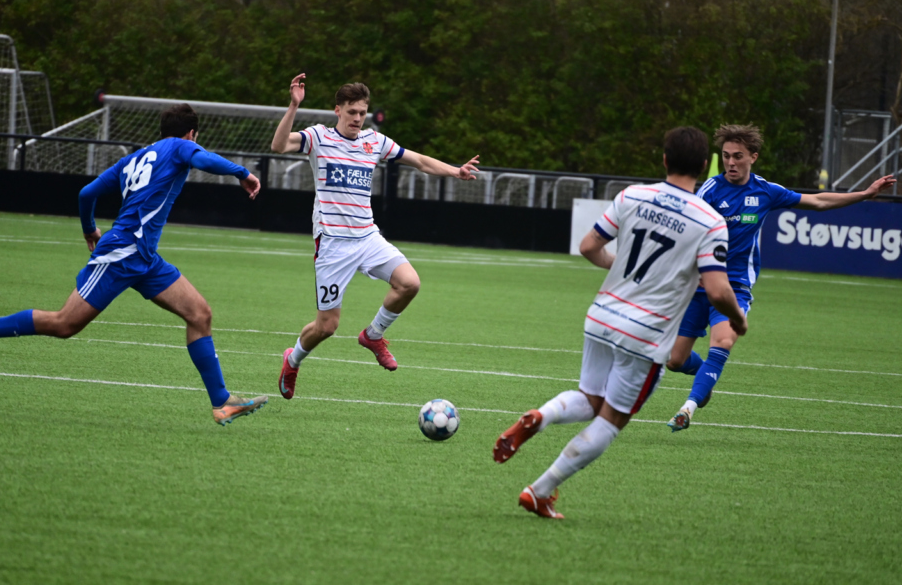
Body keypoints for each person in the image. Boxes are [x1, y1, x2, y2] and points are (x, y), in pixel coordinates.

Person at [0, 104, 269, 425]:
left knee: (199, 314)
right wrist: (242, 173)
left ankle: (221, 401)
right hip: (120, 254)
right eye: (194, 139)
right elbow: (204, 160)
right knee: (64, 324)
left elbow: (87, 193)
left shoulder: (133, 159)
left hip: (144, 259)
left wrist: (89, 229)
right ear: (191, 133)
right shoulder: (180, 146)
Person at [492, 127, 747, 520]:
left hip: (602, 315)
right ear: (703, 166)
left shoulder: (632, 196)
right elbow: (716, 290)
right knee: (611, 419)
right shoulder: (710, 220)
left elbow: (588, 247)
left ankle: (542, 416)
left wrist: (624, 268)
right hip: (645, 334)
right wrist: (737, 317)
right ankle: (539, 490)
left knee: (591, 399)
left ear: (664, 159)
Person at [665, 124, 897, 431]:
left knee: (722, 341)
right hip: (700, 284)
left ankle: (688, 407)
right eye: (726, 156)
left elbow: (818, 202)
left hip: (735, 285)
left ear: (753, 157)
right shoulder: (709, 190)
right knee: (675, 360)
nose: (731, 162)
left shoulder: (765, 191)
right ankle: (704, 380)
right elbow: (686, 231)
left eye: (738, 156)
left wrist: (865, 194)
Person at [270, 73, 479, 399]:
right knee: (326, 327)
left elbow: (419, 161)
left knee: (410, 283)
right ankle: (293, 360)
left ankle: (373, 334)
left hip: (367, 237)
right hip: (333, 244)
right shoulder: (319, 137)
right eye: (351, 112)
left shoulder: (374, 141)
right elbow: (279, 145)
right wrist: (294, 106)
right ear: (337, 110)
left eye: (362, 113)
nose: (357, 118)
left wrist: (456, 170)